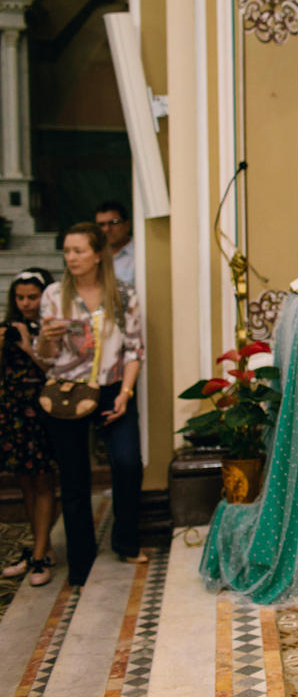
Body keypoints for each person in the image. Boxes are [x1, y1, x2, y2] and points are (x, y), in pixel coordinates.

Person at [36, 222, 145, 586]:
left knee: (128, 465)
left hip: (114, 388)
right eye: (67, 251)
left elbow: (134, 349)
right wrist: (45, 340)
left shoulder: (124, 294)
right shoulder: (54, 295)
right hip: (68, 391)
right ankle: (81, 561)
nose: (71, 258)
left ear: (98, 254)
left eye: (78, 251)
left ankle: (126, 541)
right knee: (75, 477)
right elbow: (47, 359)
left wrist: (126, 394)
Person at [0, 269, 57, 586]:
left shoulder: (50, 328)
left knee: (43, 480)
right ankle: (42, 547)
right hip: (13, 410)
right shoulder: (7, 327)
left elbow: (53, 367)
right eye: (20, 297)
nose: (25, 303)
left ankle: (38, 558)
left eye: (32, 297)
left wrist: (27, 346)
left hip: (41, 409)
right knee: (24, 481)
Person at [95, 200, 134, 285]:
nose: (107, 229)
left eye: (113, 222)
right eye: (101, 225)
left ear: (127, 225)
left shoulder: (140, 255)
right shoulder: (93, 255)